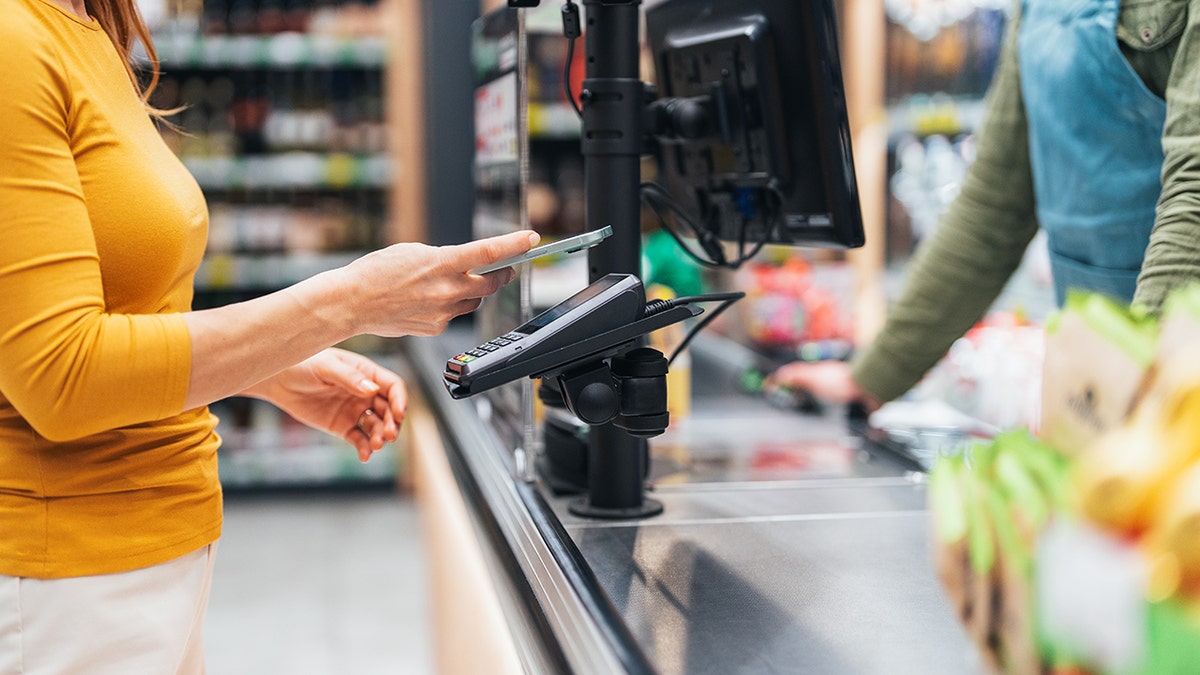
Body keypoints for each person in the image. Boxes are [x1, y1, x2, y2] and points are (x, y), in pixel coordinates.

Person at [0, 0, 538, 672]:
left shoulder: (90, 28)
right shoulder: (13, 40)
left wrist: (267, 366)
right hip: (65, 579)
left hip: (157, 557)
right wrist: (351, 301)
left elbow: (115, 305)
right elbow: (60, 377)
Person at [767, 0, 1200, 413]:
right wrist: (874, 376)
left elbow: (1194, 192)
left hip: (1168, 382)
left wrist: (1141, 388)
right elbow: (994, 202)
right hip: (1094, 376)